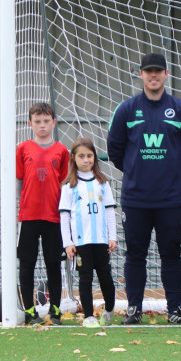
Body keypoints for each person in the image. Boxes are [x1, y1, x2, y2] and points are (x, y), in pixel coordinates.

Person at [107, 52, 181, 325]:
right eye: (148, 71)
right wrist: (136, 171)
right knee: (135, 255)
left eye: (158, 71)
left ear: (165, 74)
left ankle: (174, 309)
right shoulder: (126, 109)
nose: (153, 75)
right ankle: (133, 309)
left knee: (171, 254)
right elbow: (114, 149)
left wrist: (172, 170)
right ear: (141, 74)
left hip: (170, 198)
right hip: (136, 198)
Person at [17, 102, 69, 324]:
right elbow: (19, 180)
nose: (42, 125)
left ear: (54, 122)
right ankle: (30, 312)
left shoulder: (62, 151)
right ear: (30, 124)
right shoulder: (23, 149)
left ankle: (55, 310)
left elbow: (64, 182)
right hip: (28, 216)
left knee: (53, 264)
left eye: (46, 121)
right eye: (37, 121)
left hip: (53, 217)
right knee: (27, 264)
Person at [58, 138, 117, 327]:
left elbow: (109, 211)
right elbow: (65, 217)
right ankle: (89, 316)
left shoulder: (102, 183)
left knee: (105, 277)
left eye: (89, 156)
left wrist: (112, 237)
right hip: (81, 242)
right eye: (81, 156)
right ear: (74, 158)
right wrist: (68, 242)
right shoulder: (69, 187)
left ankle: (109, 309)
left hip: (100, 240)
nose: (86, 160)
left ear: (94, 158)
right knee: (85, 278)